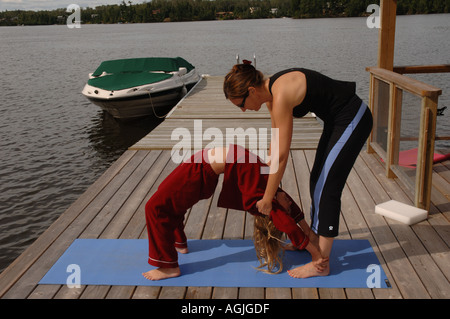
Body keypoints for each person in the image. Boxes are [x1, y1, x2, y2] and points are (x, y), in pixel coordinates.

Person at [223, 63, 373, 278]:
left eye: (241, 104)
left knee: (327, 187)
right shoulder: (271, 98)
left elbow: (283, 156)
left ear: (251, 91)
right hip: (335, 121)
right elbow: (275, 145)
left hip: (353, 118)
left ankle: (321, 264)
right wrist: (267, 183)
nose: (243, 110)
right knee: (317, 181)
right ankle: (312, 239)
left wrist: (267, 199)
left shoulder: (281, 94)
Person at [142, 144, 328, 281]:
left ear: (276, 207)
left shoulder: (265, 198)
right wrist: (309, 233)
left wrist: (315, 255)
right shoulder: (272, 189)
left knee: (154, 206)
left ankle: (168, 266)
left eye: (285, 205)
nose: (288, 201)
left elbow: (285, 221)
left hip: (200, 169)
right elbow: (291, 209)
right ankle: (179, 242)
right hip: (200, 165)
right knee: (169, 201)